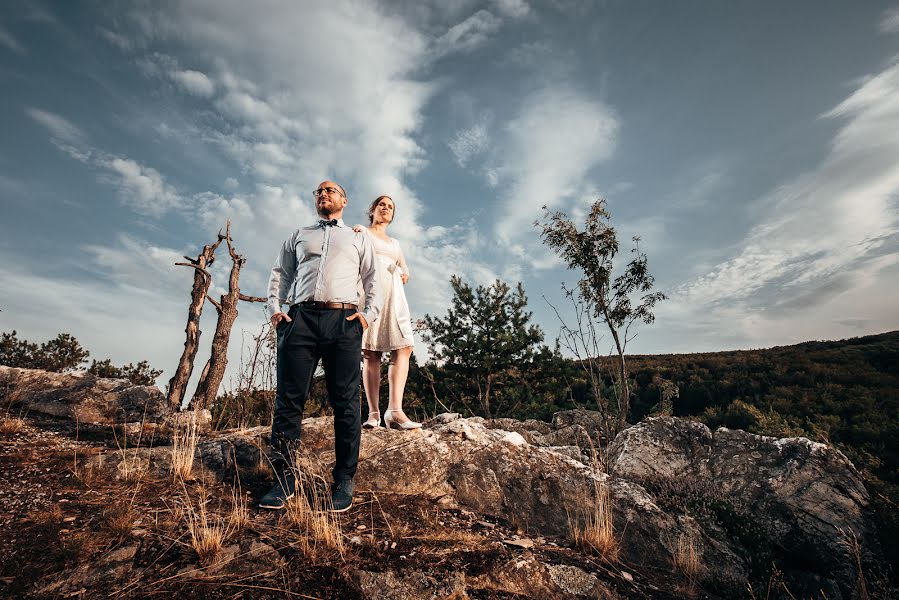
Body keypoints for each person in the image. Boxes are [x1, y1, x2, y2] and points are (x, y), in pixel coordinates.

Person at [260, 180, 381, 512]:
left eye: (330, 190)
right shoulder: (299, 234)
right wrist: (276, 312)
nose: (323, 194)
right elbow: (280, 274)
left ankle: (343, 480)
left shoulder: (358, 237)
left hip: (343, 323)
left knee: (345, 404)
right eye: (319, 191)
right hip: (300, 321)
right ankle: (283, 479)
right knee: (288, 402)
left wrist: (367, 315)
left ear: (344, 200)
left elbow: (374, 279)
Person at [354, 195, 421, 430]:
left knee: (404, 346)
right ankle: (373, 414)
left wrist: (404, 274)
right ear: (372, 210)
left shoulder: (395, 243)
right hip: (369, 292)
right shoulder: (361, 231)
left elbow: (405, 268)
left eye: (390, 206)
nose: (386, 208)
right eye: (382, 204)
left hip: (394, 296)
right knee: (371, 352)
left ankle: (395, 411)